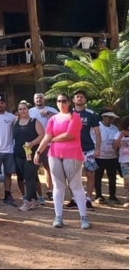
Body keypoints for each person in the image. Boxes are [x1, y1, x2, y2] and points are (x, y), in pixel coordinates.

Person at [33, 93, 90, 229]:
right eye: (58, 101)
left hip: (72, 154)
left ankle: (83, 217)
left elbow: (69, 135)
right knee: (58, 186)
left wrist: (53, 139)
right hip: (54, 154)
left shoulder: (74, 117)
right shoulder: (53, 119)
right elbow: (47, 135)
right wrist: (38, 151)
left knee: (76, 185)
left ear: (69, 102)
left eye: (64, 101)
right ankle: (58, 216)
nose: (61, 103)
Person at [13, 101, 45, 212]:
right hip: (19, 154)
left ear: (28, 110)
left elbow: (42, 135)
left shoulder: (34, 122)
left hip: (31, 154)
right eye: (20, 109)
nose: (22, 111)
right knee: (23, 176)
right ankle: (35, 200)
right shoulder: (16, 122)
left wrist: (32, 143)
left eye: (24, 108)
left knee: (29, 177)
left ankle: (29, 201)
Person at [71, 90, 100, 209]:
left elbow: (98, 133)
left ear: (85, 100)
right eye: (77, 97)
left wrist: (97, 149)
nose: (79, 99)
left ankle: (88, 198)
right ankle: (74, 199)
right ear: (73, 100)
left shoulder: (91, 114)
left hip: (88, 149)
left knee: (90, 174)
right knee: (72, 175)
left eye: (81, 97)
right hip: (72, 149)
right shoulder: (68, 113)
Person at [29, 92, 57, 203]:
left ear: (44, 99)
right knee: (33, 170)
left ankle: (50, 191)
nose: (39, 100)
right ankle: (38, 193)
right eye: (37, 98)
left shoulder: (51, 110)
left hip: (50, 144)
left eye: (40, 98)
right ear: (34, 100)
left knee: (49, 169)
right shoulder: (30, 111)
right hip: (35, 144)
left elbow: (60, 118)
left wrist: (48, 113)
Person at [95, 110, 120, 204]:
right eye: (109, 118)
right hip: (99, 156)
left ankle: (112, 195)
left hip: (112, 157)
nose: (111, 120)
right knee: (98, 177)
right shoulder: (97, 126)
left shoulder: (114, 128)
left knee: (112, 177)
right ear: (103, 117)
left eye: (112, 118)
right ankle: (98, 195)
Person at [114, 117, 129, 208]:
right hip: (124, 160)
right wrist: (121, 136)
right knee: (127, 181)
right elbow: (115, 147)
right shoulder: (118, 134)